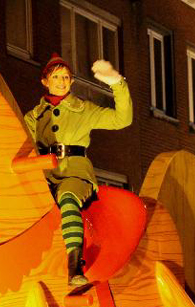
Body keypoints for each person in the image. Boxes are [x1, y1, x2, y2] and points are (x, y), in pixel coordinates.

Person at [24, 53, 133, 286]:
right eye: (56, 76)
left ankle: (75, 265)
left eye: (66, 77)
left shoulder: (84, 110)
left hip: (75, 173)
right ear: (45, 81)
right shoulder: (33, 117)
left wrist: (117, 83)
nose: (61, 81)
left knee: (67, 197)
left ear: (72, 81)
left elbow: (122, 119)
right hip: (43, 175)